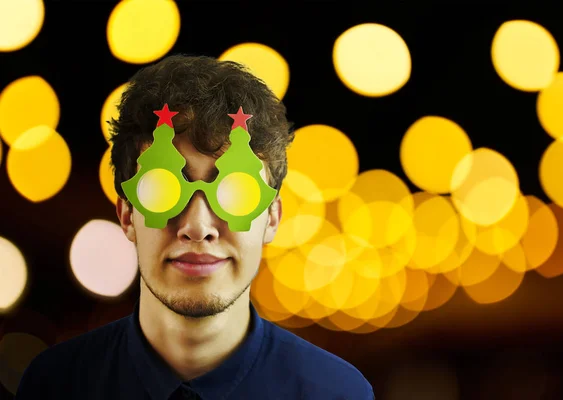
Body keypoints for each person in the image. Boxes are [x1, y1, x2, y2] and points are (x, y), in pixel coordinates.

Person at [15, 54, 374, 399]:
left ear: (272, 218)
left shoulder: (336, 393)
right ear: (127, 216)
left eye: (236, 191)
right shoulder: (55, 385)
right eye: (162, 189)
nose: (198, 226)